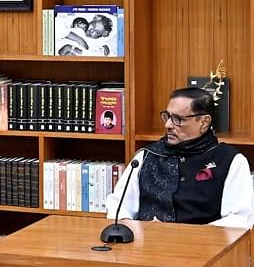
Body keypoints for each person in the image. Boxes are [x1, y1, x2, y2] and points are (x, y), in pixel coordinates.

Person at [106, 87, 253, 229]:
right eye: (167, 116)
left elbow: (239, 219)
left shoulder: (230, 160)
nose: (168, 125)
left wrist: (184, 235)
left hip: (206, 248)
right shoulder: (146, 156)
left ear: (204, 122)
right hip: (146, 246)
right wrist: (138, 229)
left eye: (178, 119)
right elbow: (118, 207)